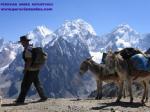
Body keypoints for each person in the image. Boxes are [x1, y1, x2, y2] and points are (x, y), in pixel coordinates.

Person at [15, 35, 47, 104]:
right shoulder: (31, 48)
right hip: (36, 68)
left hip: (31, 69)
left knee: (25, 84)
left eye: (22, 42)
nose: (21, 43)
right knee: (37, 83)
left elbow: (29, 61)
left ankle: (20, 100)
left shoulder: (28, 50)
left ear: (25, 42)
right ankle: (43, 97)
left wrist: (25, 69)